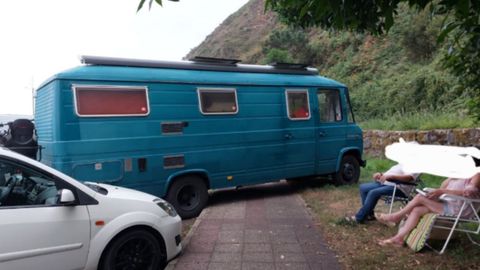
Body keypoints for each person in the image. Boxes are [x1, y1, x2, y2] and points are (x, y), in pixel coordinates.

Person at [376, 172, 480, 247]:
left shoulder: (476, 174)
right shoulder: (460, 173)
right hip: (448, 204)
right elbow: (442, 188)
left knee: (419, 198)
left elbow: (468, 192)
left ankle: (396, 216)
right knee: (417, 209)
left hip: (461, 209)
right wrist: (437, 191)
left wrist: (442, 191)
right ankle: (399, 238)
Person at [343, 163, 419, 224]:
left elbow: (409, 178)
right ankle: (369, 215)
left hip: (398, 187)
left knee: (373, 192)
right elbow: (390, 173)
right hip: (386, 183)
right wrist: (380, 174)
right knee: (363, 188)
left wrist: (391, 177)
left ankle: (358, 218)